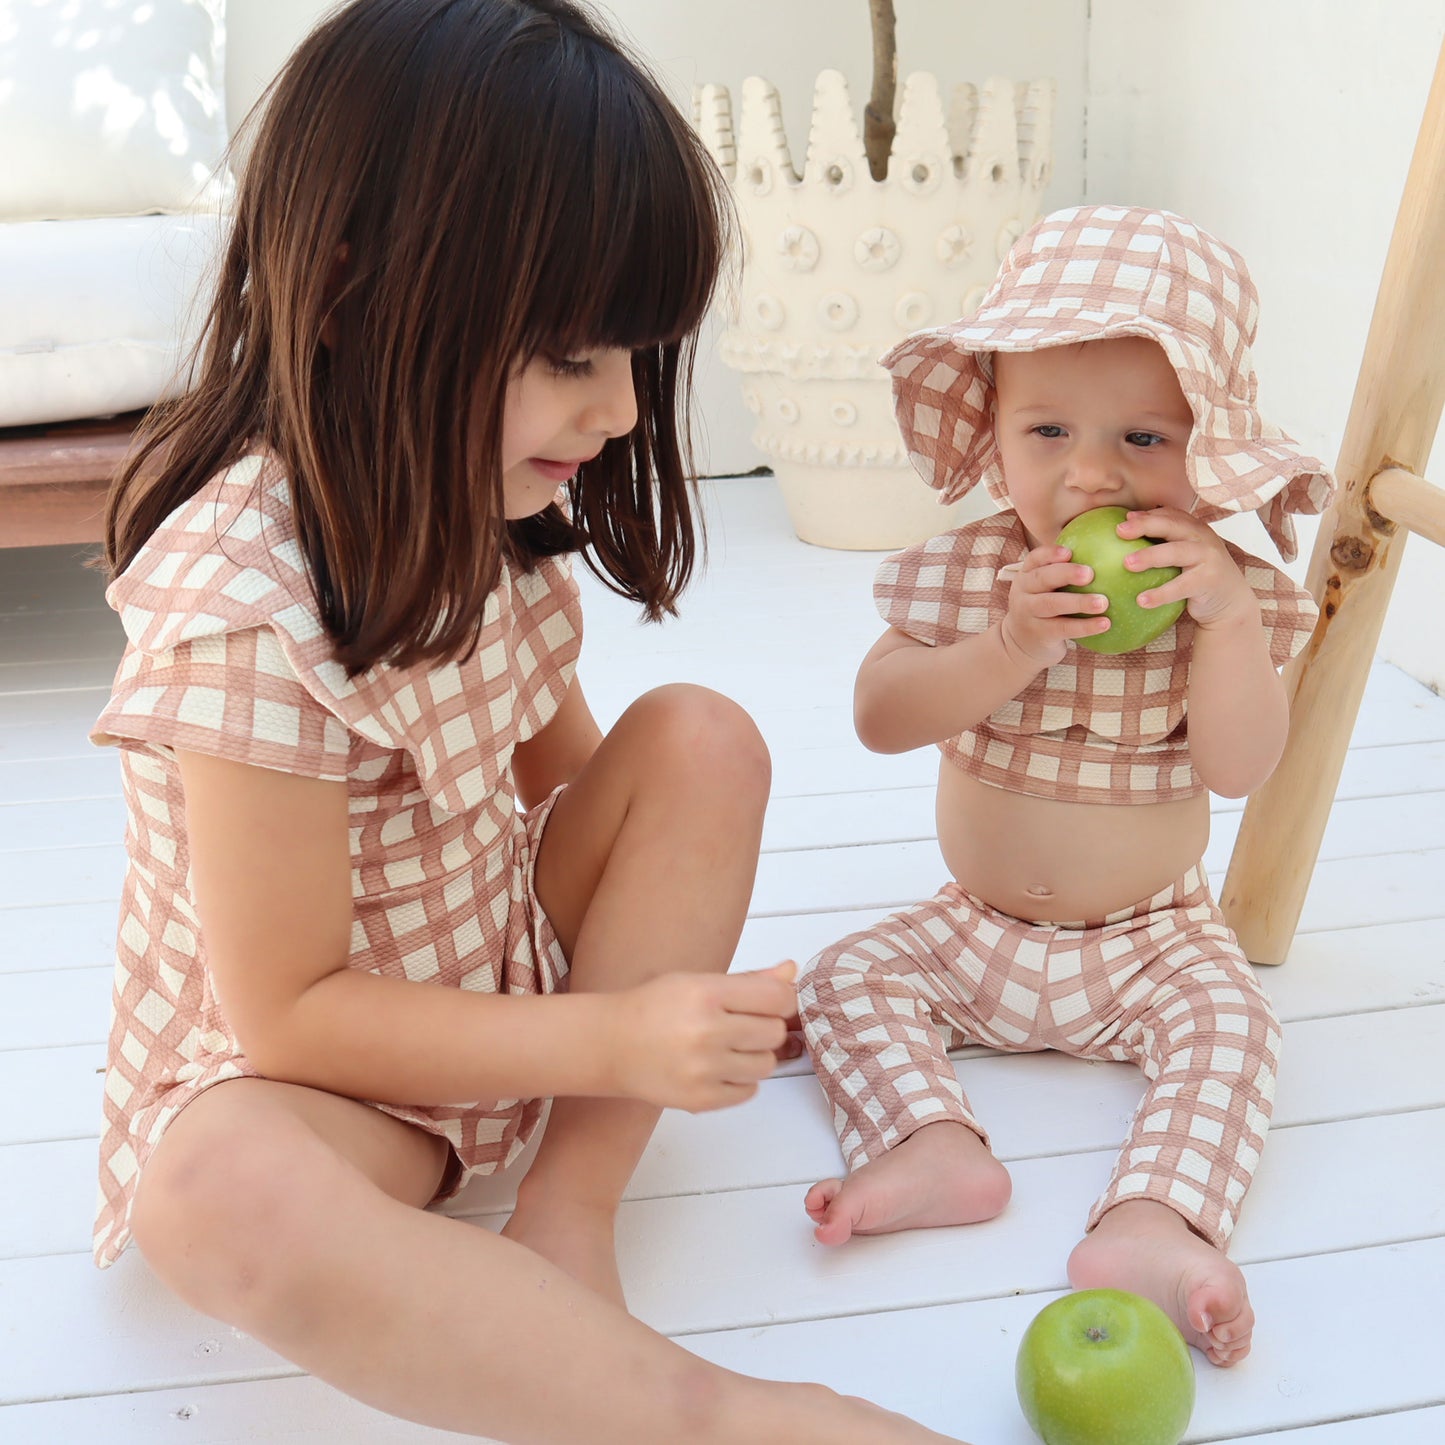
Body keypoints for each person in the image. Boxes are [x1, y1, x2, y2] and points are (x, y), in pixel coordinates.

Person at [89, 3, 971, 1441]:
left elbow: (570, 790)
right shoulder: (244, 605)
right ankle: (710, 1416)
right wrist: (620, 1037)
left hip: (489, 993)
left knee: (700, 734)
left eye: (635, 353)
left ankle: (566, 1217)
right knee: (214, 1195)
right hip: (324, 1089)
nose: (623, 407)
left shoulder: (478, 499)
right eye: (573, 355)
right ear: (352, 296)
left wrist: (674, 994)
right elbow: (291, 1012)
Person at [797, 205, 1336, 1368]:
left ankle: (1152, 1218)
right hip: (972, 928)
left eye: (1144, 439)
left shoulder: (1220, 593)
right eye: (1046, 428)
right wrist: (1006, 649)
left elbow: (1236, 768)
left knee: (1235, 1024)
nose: (1089, 472)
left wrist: (1230, 624)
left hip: (1148, 940)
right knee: (844, 976)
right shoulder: (967, 576)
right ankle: (927, 1140)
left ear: (1210, 449)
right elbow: (878, 718)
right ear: (992, 431)